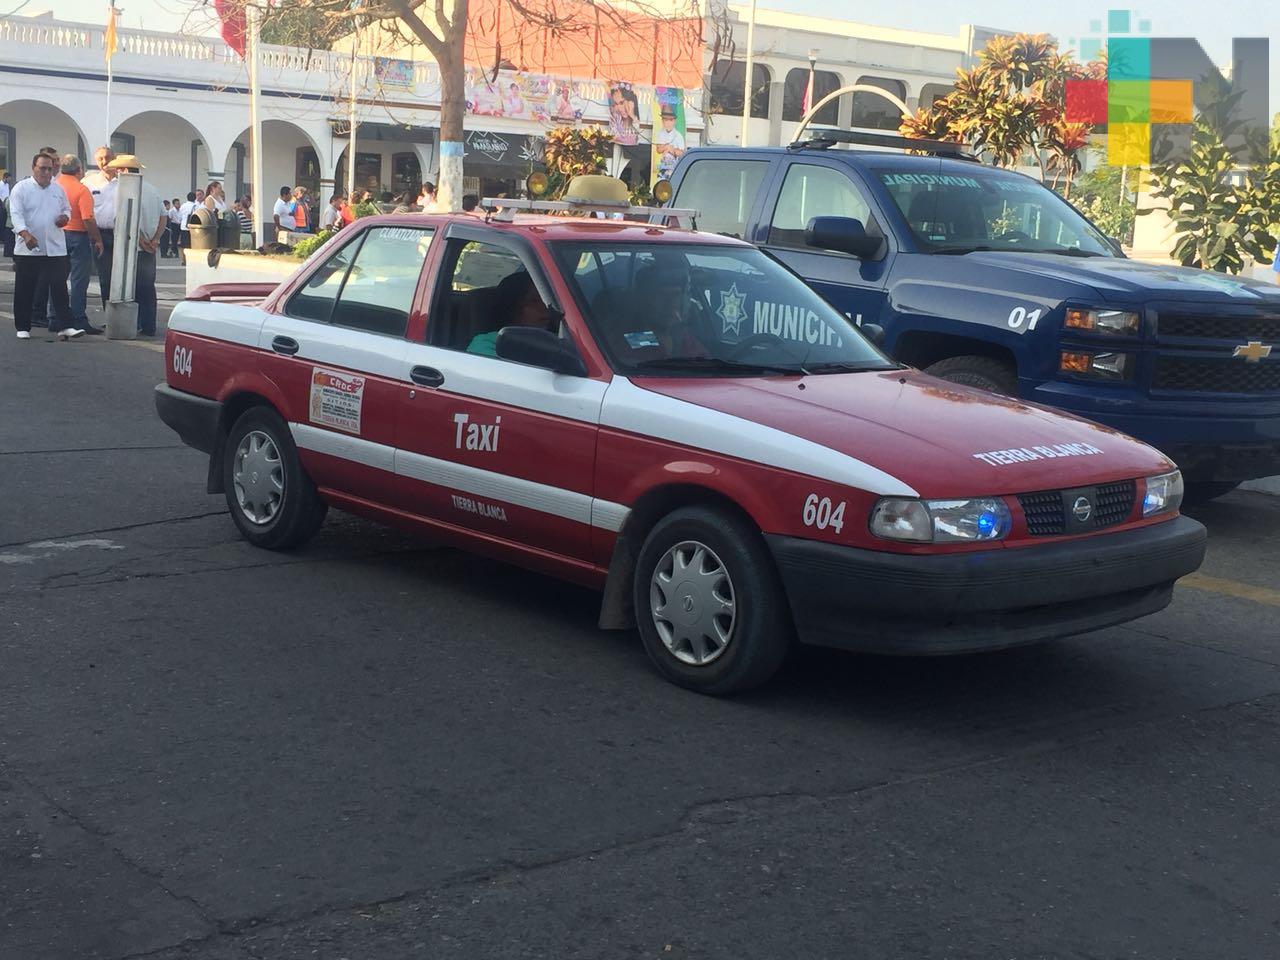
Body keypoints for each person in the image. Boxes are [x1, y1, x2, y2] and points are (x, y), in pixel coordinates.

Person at [9, 152, 80, 340]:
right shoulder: (21, 188)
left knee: (59, 287)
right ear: (34, 168)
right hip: (29, 247)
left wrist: (65, 217)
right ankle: (23, 326)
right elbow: (16, 214)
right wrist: (25, 234)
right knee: (26, 288)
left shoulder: (58, 189)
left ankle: (66, 326)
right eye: (42, 168)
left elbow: (67, 209)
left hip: (55, 247)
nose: (46, 172)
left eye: (50, 169)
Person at [106, 153, 166, 338]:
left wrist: (140, 240)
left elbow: (124, 217)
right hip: (150, 247)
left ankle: (134, 322)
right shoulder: (153, 190)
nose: (117, 173)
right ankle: (149, 325)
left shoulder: (121, 190)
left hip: (130, 247)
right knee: (147, 287)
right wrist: (155, 239)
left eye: (118, 170)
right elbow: (163, 217)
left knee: (129, 288)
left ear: (124, 171)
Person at [56, 154, 105, 334]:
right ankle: (78, 318)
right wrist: (97, 239)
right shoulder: (81, 190)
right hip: (78, 235)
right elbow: (88, 218)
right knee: (79, 279)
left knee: (57, 278)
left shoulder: (55, 186)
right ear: (79, 170)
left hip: (58, 235)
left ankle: (54, 317)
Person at [466, 271, 550, 357]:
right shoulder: (486, 344)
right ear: (513, 306)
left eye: (546, 301)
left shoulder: (551, 342)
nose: (545, 307)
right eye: (534, 301)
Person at [82, 146, 117, 309]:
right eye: (100, 159)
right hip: (98, 234)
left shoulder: (124, 181)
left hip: (121, 234)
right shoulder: (89, 183)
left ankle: (121, 312)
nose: (105, 161)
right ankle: (109, 313)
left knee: (123, 276)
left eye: (108, 157)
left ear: (114, 158)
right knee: (105, 277)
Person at [654, 106, 686, 180]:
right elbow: (658, 149)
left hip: (674, 168)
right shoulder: (660, 133)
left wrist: (671, 150)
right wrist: (667, 147)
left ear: (674, 121)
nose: (668, 123)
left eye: (670, 120)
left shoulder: (678, 136)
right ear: (663, 121)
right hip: (663, 167)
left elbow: (681, 153)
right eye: (666, 120)